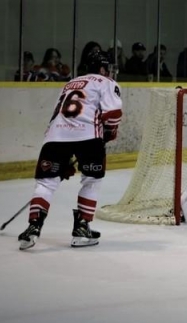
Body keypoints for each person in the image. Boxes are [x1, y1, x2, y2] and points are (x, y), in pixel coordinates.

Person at [17, 51, 123, 250]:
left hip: (55, 137)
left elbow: (59, 114)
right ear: (102, 68)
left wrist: (62, 160)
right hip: (88, 136)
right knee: (92, 179)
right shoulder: (106, 82)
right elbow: (113, 113)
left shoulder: (70, 83)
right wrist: (109, 133)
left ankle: (33, 228)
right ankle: (82, 228)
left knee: (47, 183)